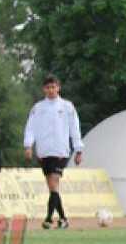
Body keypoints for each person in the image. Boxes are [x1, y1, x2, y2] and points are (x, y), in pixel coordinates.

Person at [23, 75, 83, 229]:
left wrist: (78, 149)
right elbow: (30, 127)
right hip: (44, 151)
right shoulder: (38, 108)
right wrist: (28, 145)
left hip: (60, 151)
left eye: (53, 87)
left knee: (54, 182)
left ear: (58, 88)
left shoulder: (67, 106)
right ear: (44, 89)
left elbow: (75, 128)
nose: (51, 90)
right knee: (52, 187)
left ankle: (49, 219)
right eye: (48, 87)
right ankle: (63, 218)